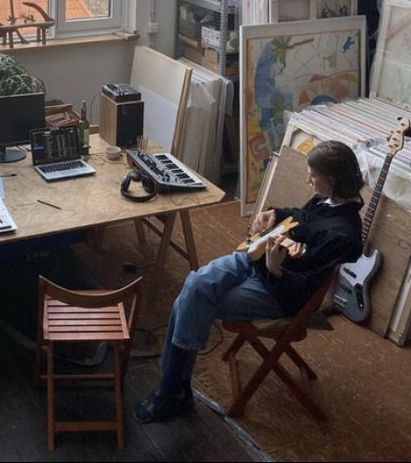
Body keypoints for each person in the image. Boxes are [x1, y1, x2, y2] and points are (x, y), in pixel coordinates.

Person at [135, 140, 364, 423]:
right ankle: (175, 388)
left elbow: (302, 285)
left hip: (280, 292)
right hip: (259, 259)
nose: (308, 179)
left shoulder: (344, 235)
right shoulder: (328, 198)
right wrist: (276, 214)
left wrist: (276, 270)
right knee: (195, 285)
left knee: (196, 298)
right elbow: (303, 217)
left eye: (313, 176)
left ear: (331, 180)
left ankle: (171, 388)